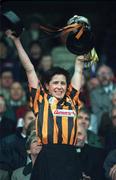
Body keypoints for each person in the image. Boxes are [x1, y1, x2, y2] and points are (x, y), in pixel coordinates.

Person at [5, 29, 85, 180]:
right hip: (47, 157)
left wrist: (83, 38)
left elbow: (79, 68)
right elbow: (29, 69)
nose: (60, 86)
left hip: (70, 157)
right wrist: (17, 42)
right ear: (47, 86)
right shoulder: (41, 100)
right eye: (55, 83)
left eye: (63, 83)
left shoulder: (72, 100)